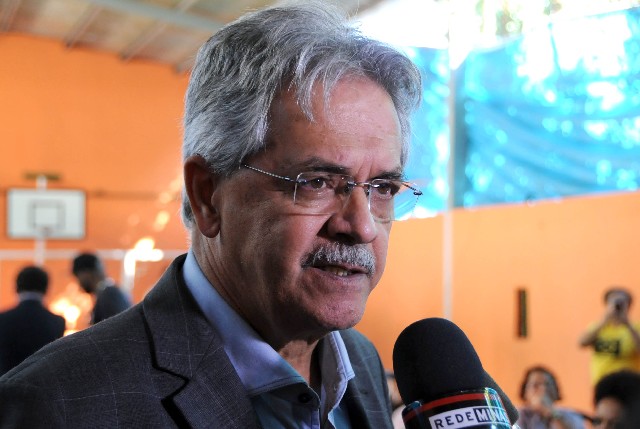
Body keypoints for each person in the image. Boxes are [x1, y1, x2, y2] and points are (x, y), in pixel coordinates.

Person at [0, 2, 516, 427]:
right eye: (317, 182)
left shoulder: (359, 360)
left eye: (382, 188)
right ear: (208, 196)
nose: (361, 226)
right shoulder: (55, 406)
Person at [0, 266, 65, 375]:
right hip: (43, 382)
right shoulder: (58, 322)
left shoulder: (2, 319)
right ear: (46, 289)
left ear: (17, 288)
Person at [579, 287, 640, 385]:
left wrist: (628, 324)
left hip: (628, 384)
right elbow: (582, 343)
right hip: (602, 382)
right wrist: (603, 321)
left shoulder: (636, 328)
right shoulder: (598, 327)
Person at [516, 366, 586, 429]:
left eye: (548, 384)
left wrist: (552, 413)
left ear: (556, 390)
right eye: (535, 385)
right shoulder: (517, 416)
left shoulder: (571, 416)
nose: (543, 389)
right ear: (525, 391)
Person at [72, 252, 131, 324]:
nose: (79, 283)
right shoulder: (108, 293)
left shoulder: (110, 295)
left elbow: (117, 327)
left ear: (85, 273)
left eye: (77, 277)